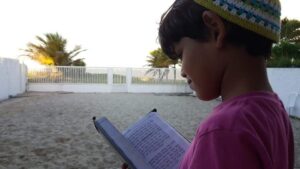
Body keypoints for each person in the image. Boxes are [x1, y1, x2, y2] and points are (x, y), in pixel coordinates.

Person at [157, 0, 294, 169]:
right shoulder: (275, 111)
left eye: (181, 55)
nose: (183, 71)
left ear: (215, 29)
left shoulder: (223, 129)